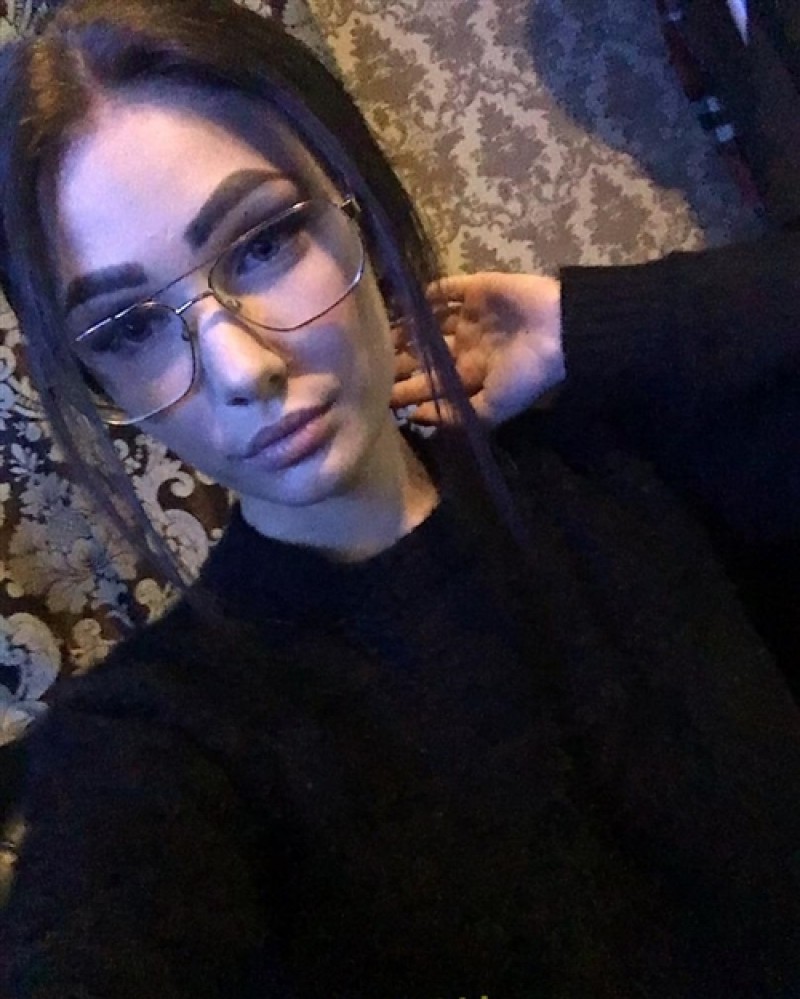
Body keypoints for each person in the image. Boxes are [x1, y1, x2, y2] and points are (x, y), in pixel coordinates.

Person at [0, 1, 800, 997]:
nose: (242, 368)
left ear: (355, 212)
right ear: (95, 382)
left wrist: (590, 326)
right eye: (129, 329)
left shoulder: (616, 464)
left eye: (263, 242)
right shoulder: (159, 745)